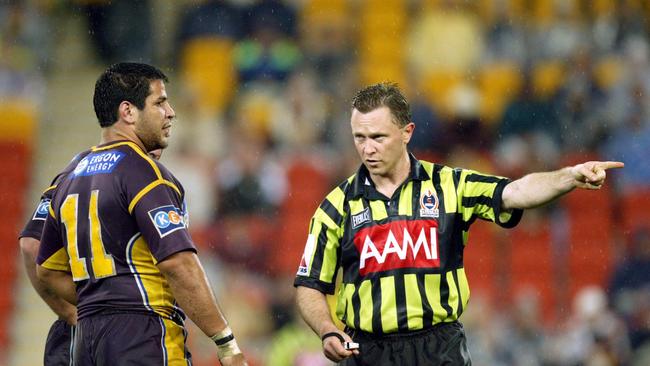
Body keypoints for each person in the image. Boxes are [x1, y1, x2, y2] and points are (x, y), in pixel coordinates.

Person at [293, 82, 623, 365]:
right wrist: (326, 328)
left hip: (439, 348)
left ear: (407, 132)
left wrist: (568, 176)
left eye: (378, 136)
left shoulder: (449, 185)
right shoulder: (335, 207)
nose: (367, 148)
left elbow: (514, 192)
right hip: (366, 352)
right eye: (359, 137)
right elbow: (309, 284)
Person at [35, 62, 247, 366]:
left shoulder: (68, 176)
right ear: (128, 111)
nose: (171, 112)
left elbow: (48, 270)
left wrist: (102, 304)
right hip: (144, 336)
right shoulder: (143, 172)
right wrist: (225, 342)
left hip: (87, 343)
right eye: (160, 102)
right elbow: (178, 263)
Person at [18, 148, 163, 365]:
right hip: (127, 329)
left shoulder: (76, 170)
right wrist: (71, 312)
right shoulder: (140, 177)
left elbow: (31, 245)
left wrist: (71, 312)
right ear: (129, 114)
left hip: (83, 332)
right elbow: (31, 246)